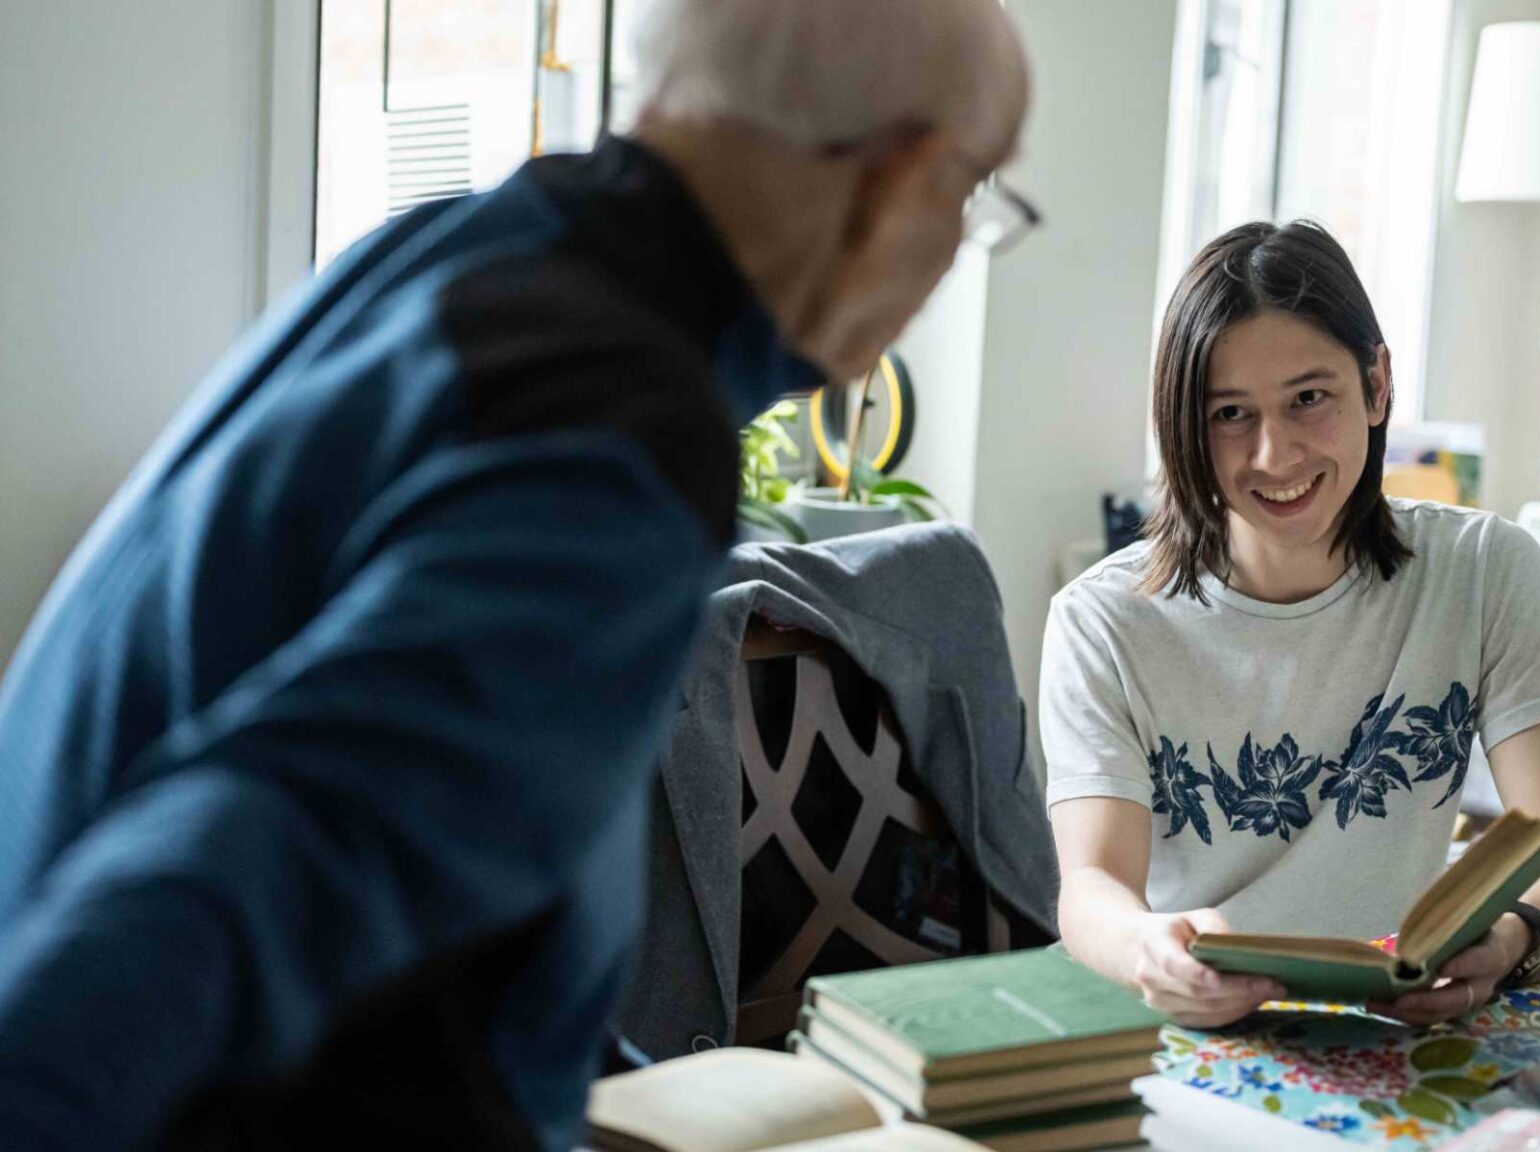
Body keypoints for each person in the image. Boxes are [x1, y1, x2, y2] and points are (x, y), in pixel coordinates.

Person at [0, 1, 1030, 1147]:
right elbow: (244, 859)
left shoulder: (468, 245)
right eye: (981, 198)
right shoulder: (618, 418)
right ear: (910, 184)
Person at [1042, 221, 1540, 1031]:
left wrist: (1507, 941)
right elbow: (1091, 887)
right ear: (1183, 425)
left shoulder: (1486, 571)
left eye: (1309, 399)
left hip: (1402, 1022)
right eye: (1230, 414)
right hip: (1188, 1027)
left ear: (1377, 385)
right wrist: (1152, 951)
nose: (1275, 455)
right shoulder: (1103, 622)